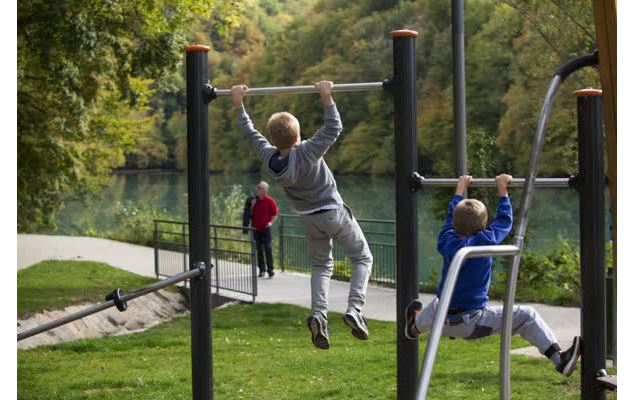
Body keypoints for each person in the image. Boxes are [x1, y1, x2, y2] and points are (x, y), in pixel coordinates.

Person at [231, 81, 373, 350]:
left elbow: (251, 134)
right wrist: (326, 96)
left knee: (321, 266)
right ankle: (355, 308)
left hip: (309, 219)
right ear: (297, 137)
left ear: (274, 139)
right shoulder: (308, 151)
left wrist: (239, 105)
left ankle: (319, 314)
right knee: (362, 257)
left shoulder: (269, 158)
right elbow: (334, 128)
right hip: (332, 212)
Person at [404, 174, 582, 377]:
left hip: (440, 320)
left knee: (436, 303)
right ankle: (560, 360)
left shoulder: (446, 239)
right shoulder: (485, 240)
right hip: (472, 323)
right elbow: (505, 222)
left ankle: (414, 327)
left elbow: (449, 216)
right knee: (527, 315)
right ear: (484, 224)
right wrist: (502, 190)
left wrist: (460, 189)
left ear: (454, 223)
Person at [250, 181, 278, 278]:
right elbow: (249, 214)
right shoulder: (254, 201)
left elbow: (275, 214)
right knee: (259, 249)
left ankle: (270, 270)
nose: (257, 189)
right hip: (256, 229)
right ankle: (262, 270)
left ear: (264, 190)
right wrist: (252, 206)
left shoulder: (270, 201)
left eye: (259, 188)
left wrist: (270, 223)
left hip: (266, 228)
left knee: (267, 248)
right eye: (257, 188)